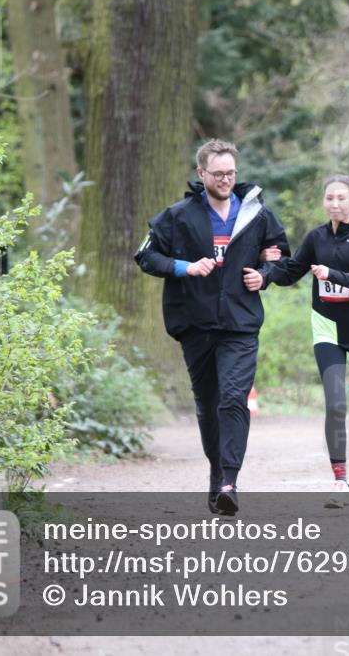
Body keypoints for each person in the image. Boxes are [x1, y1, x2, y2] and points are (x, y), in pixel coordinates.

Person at [134, 139, 290, 516]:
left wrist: (265, 275)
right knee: (207, 405)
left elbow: (284, 259)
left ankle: (230, 482)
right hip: (195, 322)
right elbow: (146, 255)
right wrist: (185, 267)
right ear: (201, 173)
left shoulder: (256, 214)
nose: (225, 179)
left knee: (232, 399)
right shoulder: (178, 216)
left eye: (231, 173)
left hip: (240, 323)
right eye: (218, 173)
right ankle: (217, 473)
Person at [262, 175, 349, 507]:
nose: (335, 204)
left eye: (342, 198)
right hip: (327, 329)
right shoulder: (316, 237)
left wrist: (332, 275)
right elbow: (291, 272)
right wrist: (267, 269)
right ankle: (341, 481)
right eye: (330, 198)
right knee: (336, 404)